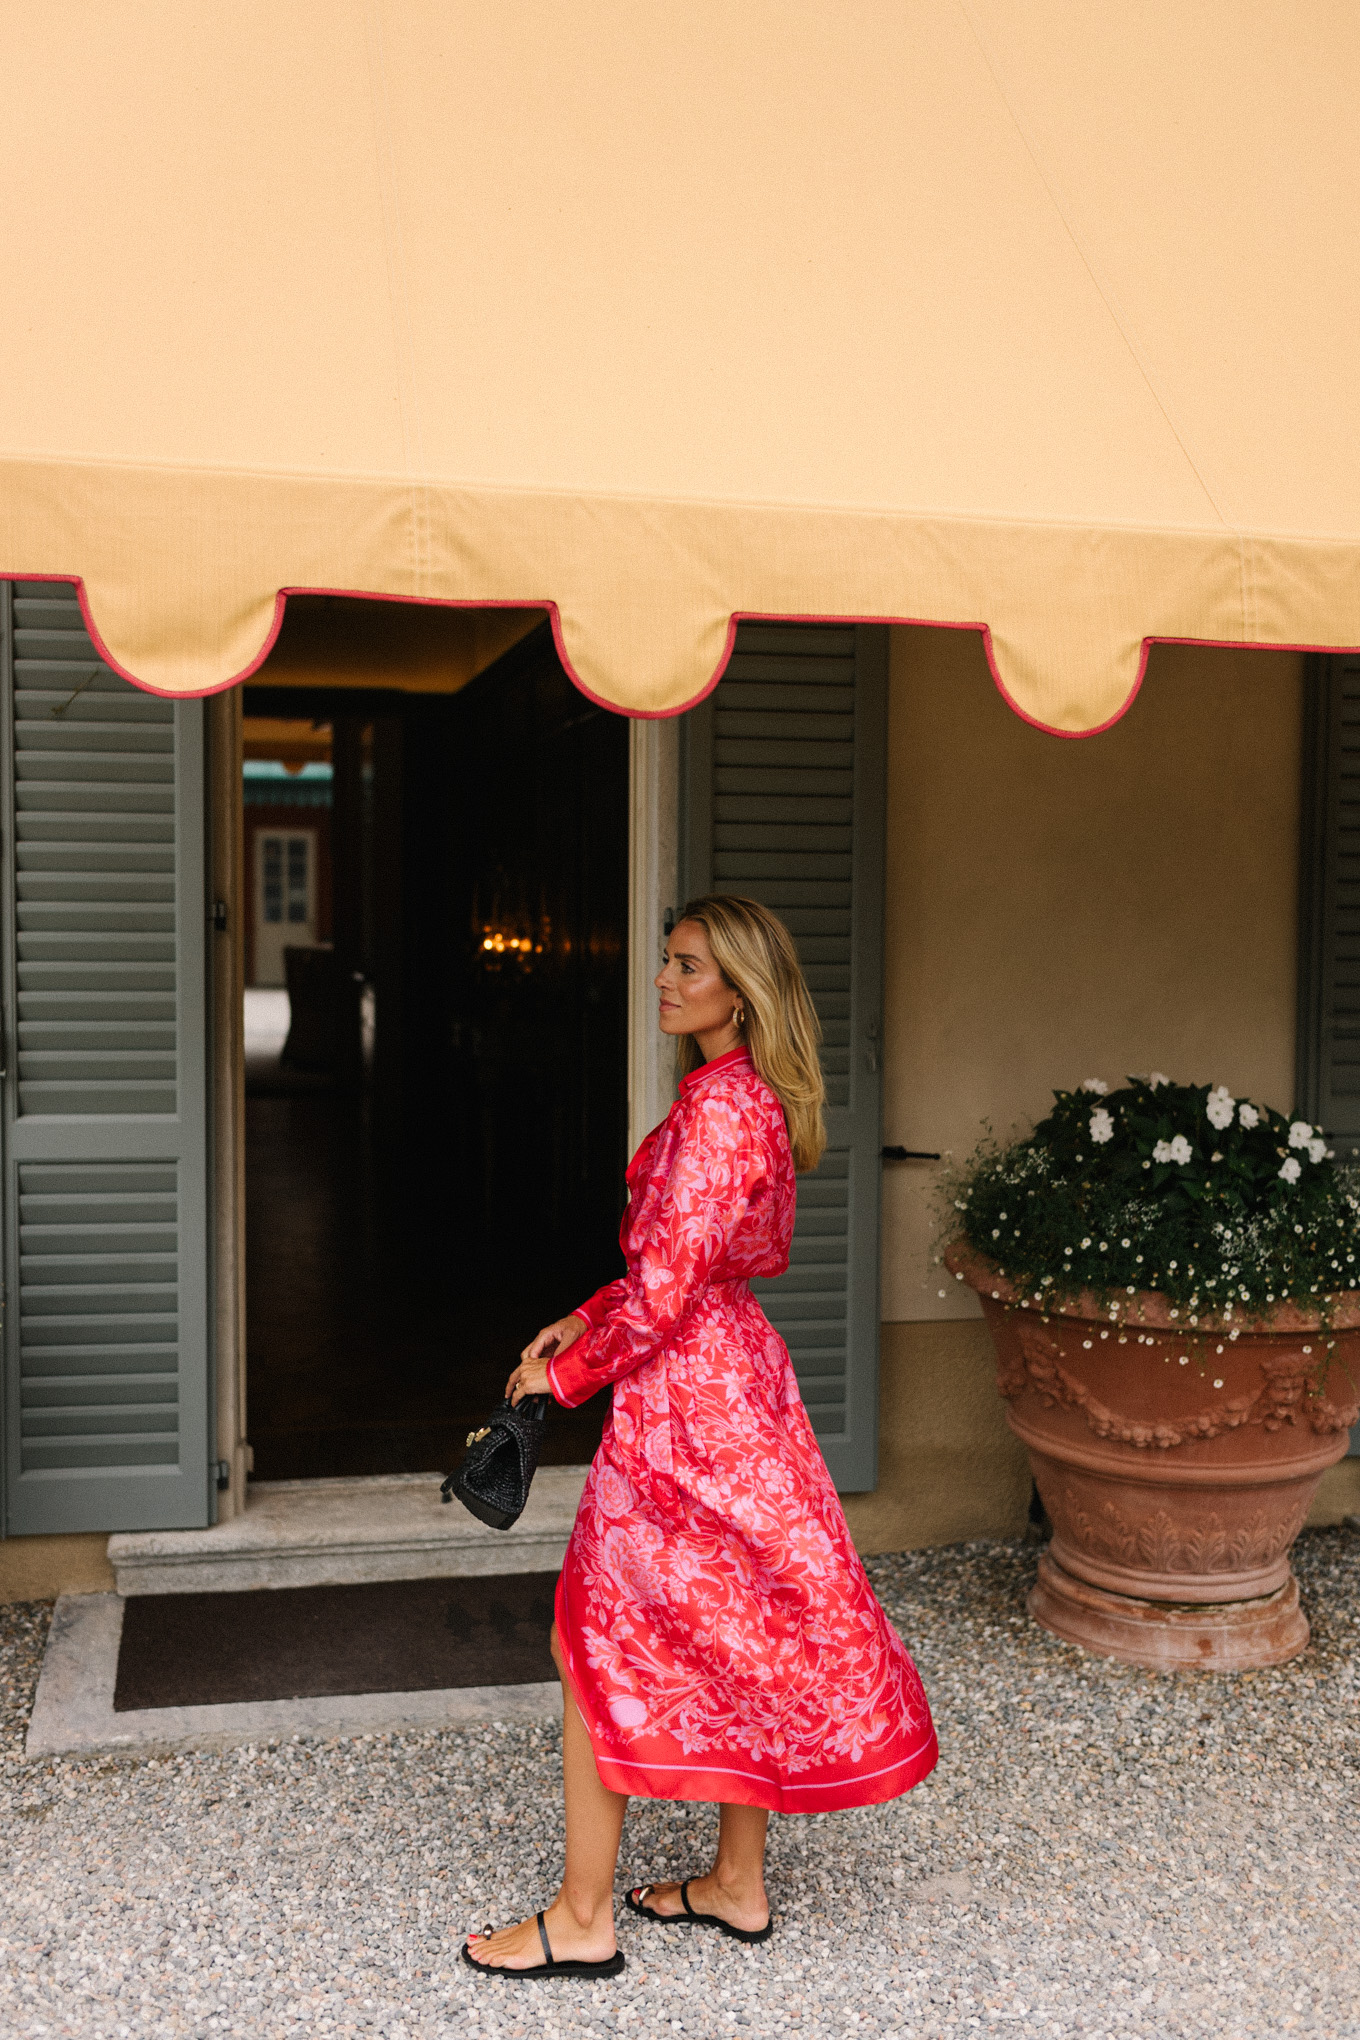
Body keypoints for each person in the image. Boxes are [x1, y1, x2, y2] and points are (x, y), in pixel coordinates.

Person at [463, 894, 937, 1980]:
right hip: (732, 1380)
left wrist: (562, 1371)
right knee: (741, 1621)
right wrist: (587, 1312)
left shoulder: (721, 1112)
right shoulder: (743, 1096)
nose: (665, 980)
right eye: (667, 961)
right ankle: (735, 1884)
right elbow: (685, 1270)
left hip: (690, 1404)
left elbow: (669, 1291)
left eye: (687, 966)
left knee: (587, 1641)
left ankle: (582, 1918)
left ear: (740, 991)